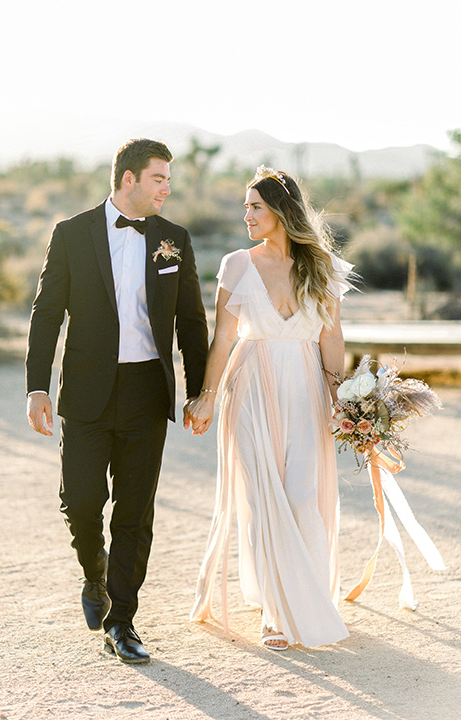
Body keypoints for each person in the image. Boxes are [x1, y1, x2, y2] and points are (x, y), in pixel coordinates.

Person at [26, 138, 208, 663]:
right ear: (128, 179)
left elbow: (192, 322)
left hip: (146, 394)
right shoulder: (71, 234)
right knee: (81, 501)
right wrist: (38, 385)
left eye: (169, 180)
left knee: (135, 511)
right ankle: (94, 572)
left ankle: (122, 620)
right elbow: (46, 314)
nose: (167, 189)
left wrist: (199, 392)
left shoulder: (174, 239)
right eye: (158, 179)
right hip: (85, 392)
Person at [187, 165, 353, 650]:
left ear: (281, 212)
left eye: (255, 206)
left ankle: (304, 594)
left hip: (305, 387)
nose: (247, 215)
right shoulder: (237, 264)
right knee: (261, 501)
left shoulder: (321, 265)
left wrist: (341, 398)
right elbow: (223, 339)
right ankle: (275, 614)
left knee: (301, 495)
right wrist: (207, 395)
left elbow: (332, 335)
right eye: (246, 206)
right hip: (252, 384)